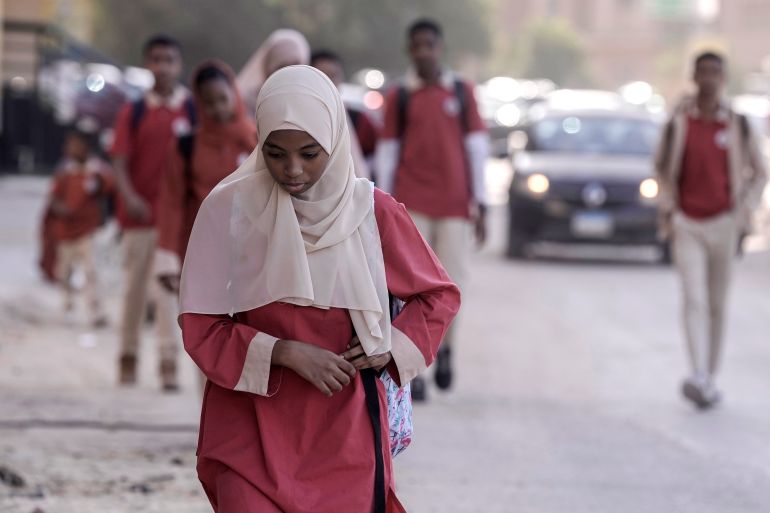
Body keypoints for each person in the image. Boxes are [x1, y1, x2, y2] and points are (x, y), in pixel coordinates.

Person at [179, 65, 460, 513]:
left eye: (310, 154)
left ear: (334, 138)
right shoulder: (227, 210)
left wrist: (389, 346)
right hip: (249, 425)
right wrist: (284, 351)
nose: (293, 170)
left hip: (343, 430)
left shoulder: (373, 213)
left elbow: (438, 296)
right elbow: (200, 324)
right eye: (275, 153)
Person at [375, 18, 489, 400]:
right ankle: (415, 368)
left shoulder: (461, 91)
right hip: (411, 204)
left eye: (429, 44)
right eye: (417, 45)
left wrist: (483, 203)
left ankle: (447, 350)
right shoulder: (400, 97)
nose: (423, 51)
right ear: (410, 50)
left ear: (440, 48)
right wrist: (384, 209)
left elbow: (476, 150)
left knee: (453, 284)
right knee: (411, 292)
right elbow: (388, 156)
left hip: (454, 205)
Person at [655, 51, 767, 409]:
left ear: (724, 78)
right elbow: (660, 168)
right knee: (694, 300)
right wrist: (670, 207)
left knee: (717, 304)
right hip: (688, 221)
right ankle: (698, 372)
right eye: (702, 71)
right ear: (693, 76)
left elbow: (760, 171)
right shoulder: (679, 122)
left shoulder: (738, 124)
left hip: (725, 222)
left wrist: (744, 211)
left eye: (715, 72)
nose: (709, 78)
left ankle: (710, 377)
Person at [110, 34, 196, 390]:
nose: (162, 66)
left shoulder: (191, 110)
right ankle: (127, 357)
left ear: (178, 65)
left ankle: (168, 363)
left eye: (169, 60)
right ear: (147, 64)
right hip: (139, 216)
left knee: (168, 293)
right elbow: (119, 158)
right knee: (133, 290)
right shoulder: (135, 111)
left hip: (175, 221)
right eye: (156, 59)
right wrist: (128, 195)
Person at [155, 60, 257, 296]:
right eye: (209, 103)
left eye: (223, 99)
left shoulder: (257, 139)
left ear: (234, 94)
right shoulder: (186, 145)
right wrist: (167, 256)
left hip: (251, 252)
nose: (218, 108)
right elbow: (172, 202)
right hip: (200, 249)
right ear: (199, 104)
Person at [47, 128, 114, 327]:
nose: (71, 149)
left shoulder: (97, 171)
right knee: (64, 272)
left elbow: (108, 188)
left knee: (91, 271)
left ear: (86, 148)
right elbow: (53, 198)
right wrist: (62, 209)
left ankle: (95, 311)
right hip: (65, 231)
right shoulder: (64, 171)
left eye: (76, 145)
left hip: (87, 230)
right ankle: (67, 306)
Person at [311, 49, 380, 179]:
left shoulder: (359, 120)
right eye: (322, 76)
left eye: (333, 76)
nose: (329, 82)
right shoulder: (297, 122)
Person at [236, 29, 310, 115]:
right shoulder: (242, 103)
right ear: (268, 67)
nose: (288, 73)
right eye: (282, 67)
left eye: (295, 66)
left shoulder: (307, 109)